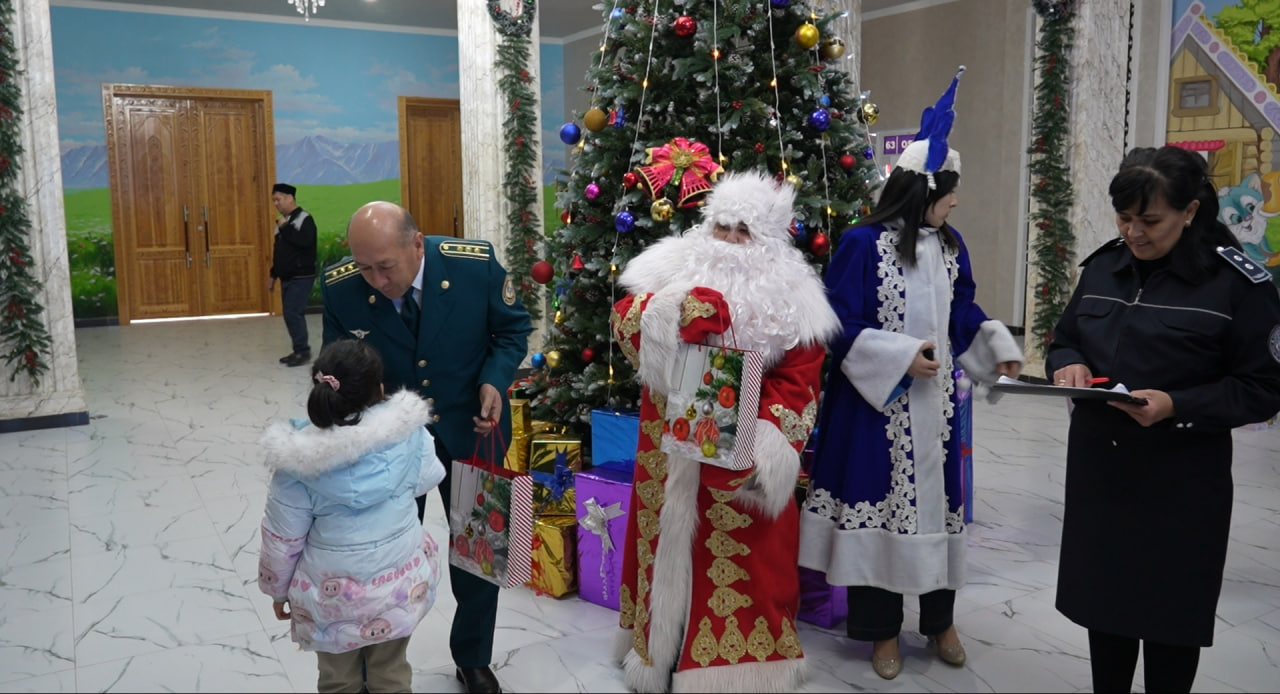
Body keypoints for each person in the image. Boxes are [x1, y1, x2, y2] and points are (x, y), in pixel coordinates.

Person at [797, 67, 1023, 681]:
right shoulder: (859, 244)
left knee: (938, 513)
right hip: (877, 411)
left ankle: (940, 620)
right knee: (879, 515)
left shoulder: (950, 245)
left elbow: (963, 309)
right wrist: (900, 356)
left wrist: (994, 347)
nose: (956, 202)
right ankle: (879, 631)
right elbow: (837, 324)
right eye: (949, 192)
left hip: (936, 412)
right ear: (922, 192)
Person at [1045, 145, 1280, 693]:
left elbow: (1265, 387)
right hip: (1102, 475)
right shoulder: (1104, 267)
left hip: (1181, 485)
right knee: (1105, 610)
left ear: (1190, 211)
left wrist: (1178, 405)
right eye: (1123, 218)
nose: (1134, 233)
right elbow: (1067, 338)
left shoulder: (1236, 285)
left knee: (1170, 618)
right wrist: (1068, 363)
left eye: (1150, 221)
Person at [607, 169, 841, 692]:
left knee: (744, 559)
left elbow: (800, 382)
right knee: (662, 547)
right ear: (708, 225)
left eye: (744, 232)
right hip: (666, 448)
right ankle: (658, 653)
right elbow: (625, 327)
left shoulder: (795, 297)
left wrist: (767, 443)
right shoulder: (669, 266)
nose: (731, 241)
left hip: (739, 449)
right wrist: (673, 313)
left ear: (768, 239)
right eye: (723, 227)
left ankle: (733, 671)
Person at [320, 201, 532, 694]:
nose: (376, 280)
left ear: (417, 245)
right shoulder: (340, 286)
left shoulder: (474, 266)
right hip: (390, 444)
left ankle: (473, 659)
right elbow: (336, 365)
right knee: (383, 554)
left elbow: (511, 330)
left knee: (479, 549)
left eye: (385, 267)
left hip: (474, 428)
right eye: (365, 268)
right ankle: (378, 665)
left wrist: (495, 380)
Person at [257, 339, 444, 693]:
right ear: (380, 390)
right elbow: (427, 479)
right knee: (391, 674)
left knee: (338, 680)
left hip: (331, 601)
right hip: (398, 588)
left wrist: (278, 591)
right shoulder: (409, 433)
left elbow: (283, 538)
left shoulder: (297, 461)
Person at [267, 182, 319, 367]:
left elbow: (305, 242)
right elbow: (279, 252)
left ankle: (302, 352)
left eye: (278, 199)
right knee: (290, 314)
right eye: (274, 200)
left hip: (302, 276)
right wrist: (273, 274)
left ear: (290, 198)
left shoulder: (304, 219)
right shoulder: (282, 222)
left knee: (293, 312)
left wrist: (286, 228)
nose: (276, 204)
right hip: (287, 277)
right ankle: (298, 349)